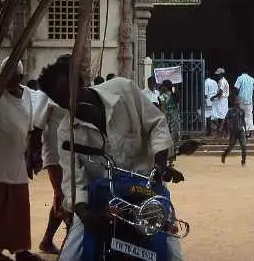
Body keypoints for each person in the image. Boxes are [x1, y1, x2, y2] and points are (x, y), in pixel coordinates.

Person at [37, 56, 182, 261]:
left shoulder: (124, 91)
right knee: (72, 255)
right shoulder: (66, 132)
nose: (70, 104)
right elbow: (72, 182)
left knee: (172, 252)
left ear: (79, 82)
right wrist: (86, 215)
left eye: (70, 94)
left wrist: (160, 164)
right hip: (101, 199)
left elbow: (156, 124)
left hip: (145, 189)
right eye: (61, 100)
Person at [0, 63, 45, 261]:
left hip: (18, 164)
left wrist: (32, 157)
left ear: (21, 77)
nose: (9, 81)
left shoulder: (29, 96)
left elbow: (30, 131)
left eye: (14, 77)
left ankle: (21, 250)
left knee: (19, 208)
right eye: (5, 76)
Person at [37, 97, 70, 254]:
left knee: (62, 195)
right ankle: (70, 242)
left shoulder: (73, 93)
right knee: (62, 195)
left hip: (69, 152)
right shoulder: (48, 97)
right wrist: (33, 154)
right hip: (54, 152)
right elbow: (37, 125)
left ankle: (47, 240)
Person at [220, 95, 247, 165]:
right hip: (233, 132)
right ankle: (224, 155)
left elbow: (243, 121)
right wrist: (221, 127)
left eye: (239, 100)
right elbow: (225, 119)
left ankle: (243, 161)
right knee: (231, 146)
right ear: (234, 102)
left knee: (244, 146)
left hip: (241, 131)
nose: (238, 102)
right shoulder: (230, 111)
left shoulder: (242, 111)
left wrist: (246, 130)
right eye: (236, 100)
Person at [158, 79, 182, 154]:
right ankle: (170, 149)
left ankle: (175, 148)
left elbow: (177, 95)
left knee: (175, 132)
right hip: (169, 115)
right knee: (170, 132)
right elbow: (162, 107)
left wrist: (172, 87)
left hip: (173, 115)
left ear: (166, 86)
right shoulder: (161, 96)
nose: (162, 87)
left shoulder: (173, 94)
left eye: (164, 86)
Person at [233, 69, 254, 136]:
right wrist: (253, 100)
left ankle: (244, 131)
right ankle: (250, 131)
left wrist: (236, 98)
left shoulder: (240, 78)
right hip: (249, 100)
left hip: (241, 99)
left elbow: (236, 88)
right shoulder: (252, 79)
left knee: (241, 115)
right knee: (249, 115)